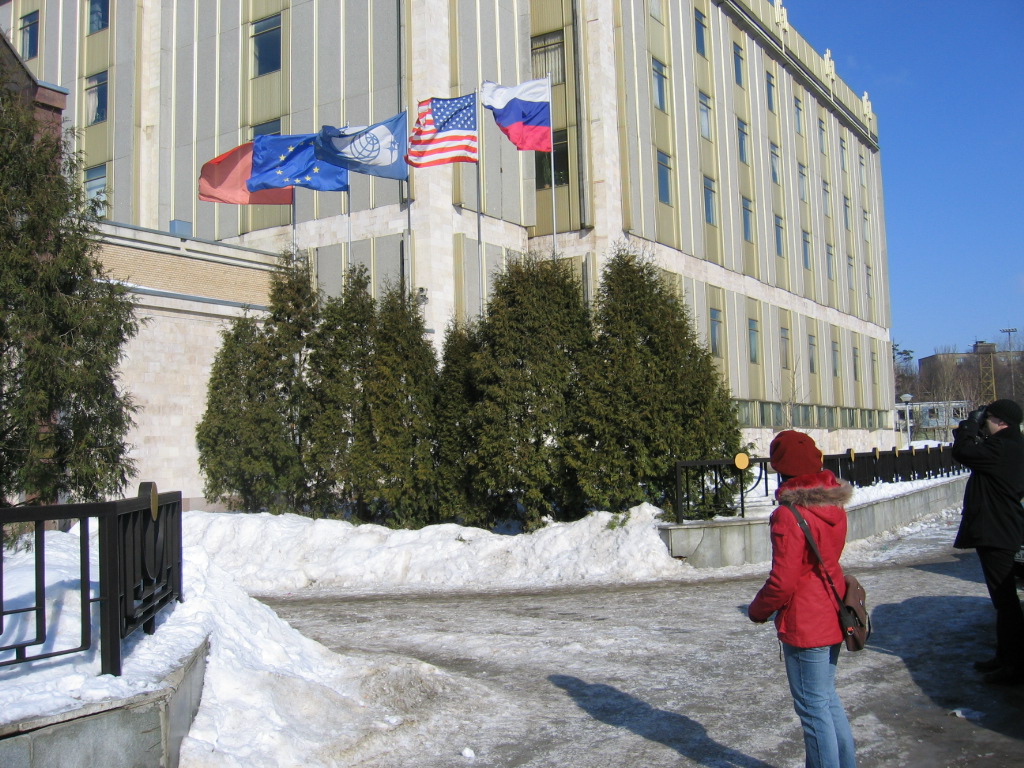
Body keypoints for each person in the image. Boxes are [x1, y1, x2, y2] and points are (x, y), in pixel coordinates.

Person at [748, 430, 856, 768]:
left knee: (812, 708)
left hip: (806, 621)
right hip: (833, 610)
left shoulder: (789, 514)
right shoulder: (833, 505)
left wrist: (758, 610)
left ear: (781, 468)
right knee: (826, 700)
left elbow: (783, 580)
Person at [951, 398, 1024, 685]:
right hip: (1002, 529)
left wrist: (969, 424)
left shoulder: (1002, 447)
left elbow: (963, 451)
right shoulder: (1012, 445)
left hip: (997, 532)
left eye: (988, 418)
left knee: (1005, 602)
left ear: (1001, 421)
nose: (985, 423)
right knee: (1004, 601)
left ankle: (1014, 664)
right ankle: (1005, 656)